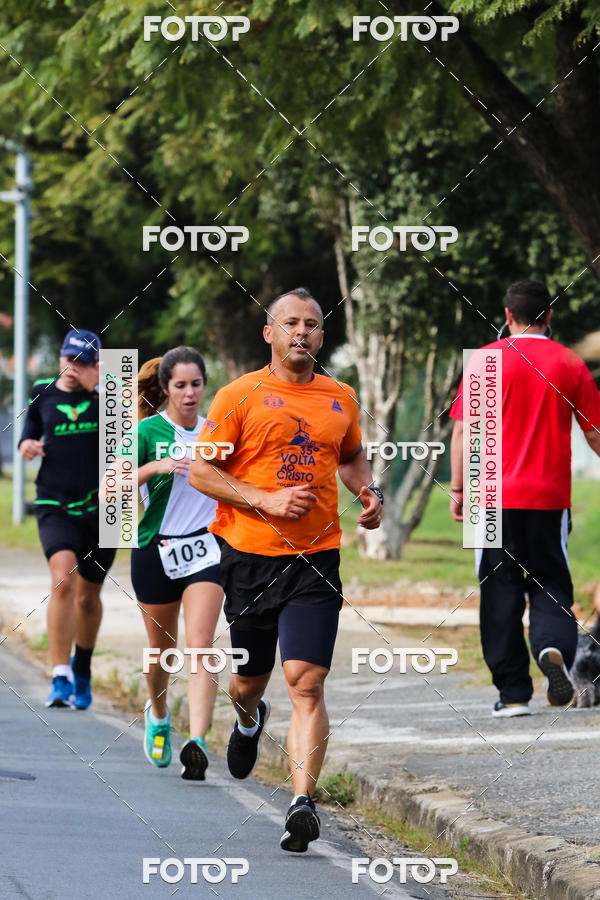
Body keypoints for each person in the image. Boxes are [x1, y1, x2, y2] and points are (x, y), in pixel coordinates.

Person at [189, 287, 382, 852]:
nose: (302, 332)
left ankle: (302, 802)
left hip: (316, 560)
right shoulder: (238, 396)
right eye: (290, 323)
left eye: (313, 325)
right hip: (249, 559)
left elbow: (349, 456)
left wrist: (366, 490)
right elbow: (201, 474)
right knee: (249, 681)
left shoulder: (340, 396)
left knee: (308, 680)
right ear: (269, 333)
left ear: (322, 336)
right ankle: (249, 718)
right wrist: (263, 500)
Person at [449, 280, 600, 717]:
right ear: (548, 317)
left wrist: (459, 490)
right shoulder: (568, 362)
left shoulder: (485, 361)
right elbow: (593, 433)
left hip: (489, 497)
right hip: (549, 499)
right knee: (551, 585)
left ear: (508, 314)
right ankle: (552, 649)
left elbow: (463, 432)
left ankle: (513, 695)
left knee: (500, 592)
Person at [126, 348, 224, 780]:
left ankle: (198, 742)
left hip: (207, 549)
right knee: (161, 653)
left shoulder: (218, 432)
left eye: (196, 384)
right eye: (180, 385)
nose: (189, 393)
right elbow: (110, 484)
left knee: (201, 645)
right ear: (165, 388)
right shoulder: (147, 431)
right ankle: (160, 713)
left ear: (205, 385)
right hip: (155, 549)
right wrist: (155, 466)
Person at [18, 329, 116, 709]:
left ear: (96, 366)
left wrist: (104, 388)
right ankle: (59, 674)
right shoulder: (42, 390)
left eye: (83, 362)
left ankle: (83, 669)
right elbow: (29, 433)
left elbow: (130, 438)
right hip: (54, 503)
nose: (72, 369)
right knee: (63, 582)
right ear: (60, 357)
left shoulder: (110, 397)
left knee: (89, 597)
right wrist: (27, 445)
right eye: (68, 360)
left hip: (104, 508)